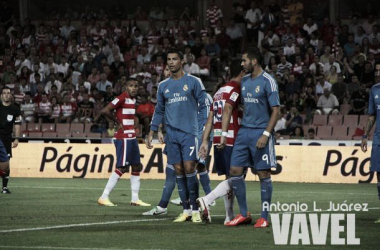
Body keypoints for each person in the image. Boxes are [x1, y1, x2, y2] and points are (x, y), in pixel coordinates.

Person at [146, 49, 207, 223]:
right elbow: (159, 110)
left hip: (189, 133)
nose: (171, 62)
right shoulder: (163, 86)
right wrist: (152, 131)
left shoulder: (194, 82)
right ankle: (186, 210)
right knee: (178, 170)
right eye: (169, 60)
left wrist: (201, 128)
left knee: (189, 168)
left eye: (174, 59)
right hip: (171, 134)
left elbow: (204, 106)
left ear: (182, 61)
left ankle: (196, 210)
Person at [224, 48, 280, 227]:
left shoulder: (268, 81)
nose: (242, 64)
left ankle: (264, 217)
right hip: (243, 132)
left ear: (254, 61)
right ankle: (243, 213)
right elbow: (240, 104)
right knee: (234, 171)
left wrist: (266, 134)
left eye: (244, 60)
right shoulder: (245, 81)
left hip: (260, 132)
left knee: (263, 172)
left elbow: (276, 111)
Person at [196, 59, 244, 224]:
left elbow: (209, 119)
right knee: (238, 176)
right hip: (231, 137)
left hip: (217, 139)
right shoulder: (237, 89)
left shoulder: (218, 91)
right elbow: (227, 110)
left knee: (228, 177)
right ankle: (208, 199)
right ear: (242, 73)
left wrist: (205, 141)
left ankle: (229, 216)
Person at [98, 78, 150, 207]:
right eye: (131, 86)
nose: (134, 88)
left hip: (132, 137)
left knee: (137, 165)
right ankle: (104, 197)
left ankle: (135, 199)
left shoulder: (133, 100)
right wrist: (116, 122)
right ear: (126, 87)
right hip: (123, 138)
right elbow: (105, 110)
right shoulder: (122, 97)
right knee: (122, 168)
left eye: (136, 86)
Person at [361, 62, 380, 223]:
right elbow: (372, 116)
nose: (377, 73)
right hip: (378, 139)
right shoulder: (374, 90)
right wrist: (364, 136)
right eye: (377, 70)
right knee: (379, 176)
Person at [0, 87, 22, 194]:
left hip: (7, 139)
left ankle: (4, 187)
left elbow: (17, 125)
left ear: (11, 95)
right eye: (4, 93)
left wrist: (16, 138)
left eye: (8, 93)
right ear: (1, 95)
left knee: (7, 164)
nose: (6, 95)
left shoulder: (15, 109)